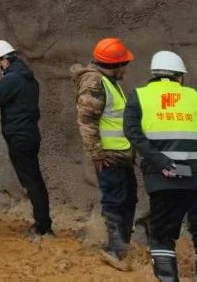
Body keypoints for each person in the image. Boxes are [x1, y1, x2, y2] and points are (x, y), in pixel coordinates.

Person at [125, 51, 197, 282]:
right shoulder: (192, 96)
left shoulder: (139, 97)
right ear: (180, 76)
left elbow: (132, 133)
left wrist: (160, 161)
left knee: (163, 235)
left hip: (165, 177)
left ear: (154, 74)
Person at [0, 40, 53, 240]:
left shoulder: (11, 79)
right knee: (35, 179)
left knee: (31, 181)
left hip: (19, 137)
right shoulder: (28, 78)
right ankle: (44, 223)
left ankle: (42, 226)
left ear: (5, 60)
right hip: (30, 134)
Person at [71, 37, 138, 269]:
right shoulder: (95, 83)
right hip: (109, 156)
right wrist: (97, 153)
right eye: (124, 64)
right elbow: (87, 121)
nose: (126, 69)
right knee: (116, 200)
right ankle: (115, 249)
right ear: (114, 64)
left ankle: (121, 246)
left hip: (121, 155)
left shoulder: (109, 82)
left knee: (127, 199)